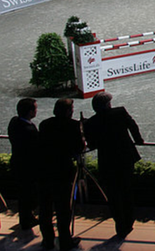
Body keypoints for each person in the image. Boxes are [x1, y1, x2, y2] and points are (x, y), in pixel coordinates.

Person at [83, 92, 144, 239]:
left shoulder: (91, 122)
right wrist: (138, 140)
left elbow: (92, 144)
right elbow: (133, 126)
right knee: (126, 191)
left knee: (114, 196)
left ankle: (120, 226)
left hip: (107, 162)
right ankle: (129, 222)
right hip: (125, 159)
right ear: (108, 104)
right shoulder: (120, 112)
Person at [38, 98, 85, 251]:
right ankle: (65, 241)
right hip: (63, 172)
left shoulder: (44, 124)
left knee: (45, 209)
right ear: (67, 111)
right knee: (63, 209)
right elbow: (79, 147)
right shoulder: (73, 125)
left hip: (44, 171)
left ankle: (48, 241)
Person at [8, 98, 40, 231]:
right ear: (30, 112)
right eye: (35, 108)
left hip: (17, 163)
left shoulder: (14, 122)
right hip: (28, 167)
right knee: (29, 194)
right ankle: (27, 220)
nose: (36, 111)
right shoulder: (30, 130)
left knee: (23, 194)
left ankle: (26, 218)